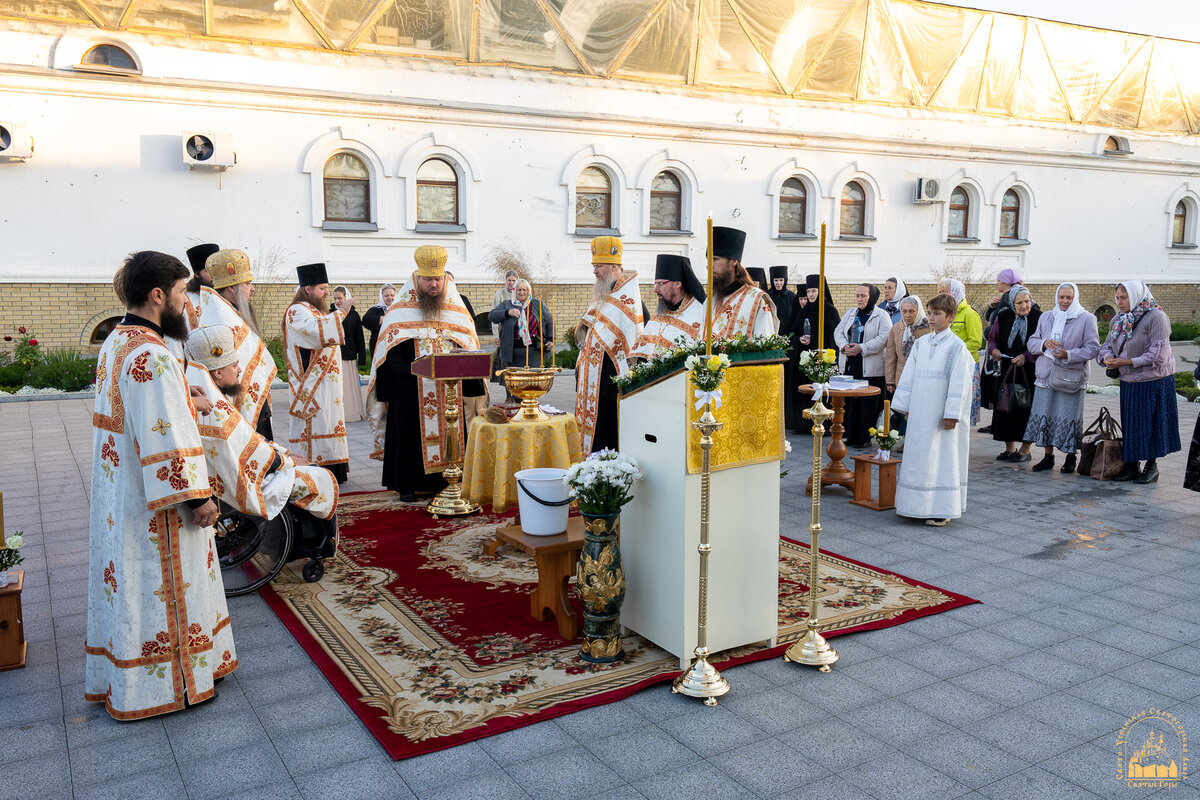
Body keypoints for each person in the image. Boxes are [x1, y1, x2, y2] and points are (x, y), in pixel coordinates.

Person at [87, 250, 232, 720]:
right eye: (180, 294)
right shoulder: (152, 354)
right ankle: (170, 683)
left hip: (123, 495)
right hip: (158, 506)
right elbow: (165, 434)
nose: (186, 306)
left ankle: (131, 677)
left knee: (130, 584)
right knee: (164, 584)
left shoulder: (117, 340)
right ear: (156, 295)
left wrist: (183, 396)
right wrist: (198, 498)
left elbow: (140, 412)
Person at [183, 325, 339, 536]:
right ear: (218, 372)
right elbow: (250, 453)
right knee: (320, 477)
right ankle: (314, 543)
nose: (239, 370)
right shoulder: (214, 407)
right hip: (246, 483)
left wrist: (284, 454)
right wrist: (287, 461)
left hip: (237, 475)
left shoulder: (204, 392)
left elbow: (246, 441)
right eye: (235, 365)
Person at [368, 246, 483, 500]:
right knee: (408, 433)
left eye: (438, 279)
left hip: (448, 389)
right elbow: (388, 353)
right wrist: (413, 377)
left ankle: (447, 480)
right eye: (428, 279)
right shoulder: (398, 312)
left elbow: (468, 345)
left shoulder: (456, 311)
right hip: (411, 390)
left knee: (450, 432)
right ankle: (407, 485)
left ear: (445, 280)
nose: (433, 284)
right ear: (416, 280)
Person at [891, 293, 976, 527]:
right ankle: (914, 506)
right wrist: (906, 406)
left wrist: (952, 414)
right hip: (919, 411)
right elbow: (909, 377)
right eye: (929, 313)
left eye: (937, 314)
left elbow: (960, 383)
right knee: (918, 456)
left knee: (941, 457)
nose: (931, 318)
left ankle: (941, 509)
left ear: (950, 317)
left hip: (941, 414)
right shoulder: (921, 343)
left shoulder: (957, 347)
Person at [188, 248, 279, 439]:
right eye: (247, 284)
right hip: (238, 407)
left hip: (252, 403)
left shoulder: (229, 311)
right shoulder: (222, 317)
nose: (252, 288)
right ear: (231, 287)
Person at [1098, 281, 1181, 483]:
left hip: (1155, 380)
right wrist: (1108, 359)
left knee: (1152, 423)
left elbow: (1158, 353)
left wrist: (1127, 361)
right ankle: (1131, 465)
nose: (1120, 302)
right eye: (1117, 298)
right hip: (1129, 380)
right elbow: (1106, 346)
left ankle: (1152, 467)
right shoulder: (1119, 319)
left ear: (1136, 296)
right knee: (1132, 423)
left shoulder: (1156, 317)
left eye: (1124, 298)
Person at [575, 236, 644, 454]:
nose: (595, 271)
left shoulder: (629, 301)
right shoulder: (604, 295)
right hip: (592, 382)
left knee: (608, 437)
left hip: (610, 385)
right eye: (594, 266)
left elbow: (632, 342)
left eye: (600, 266)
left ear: (615, 267)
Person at [282, 263, 350, 483]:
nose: (327, 292)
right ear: (308, 289)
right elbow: (313, 333)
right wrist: (341, 313)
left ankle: (336, 467)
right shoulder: (297, 310)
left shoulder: (314, 309)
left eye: (327, 287)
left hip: (327, 384)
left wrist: (334, 316)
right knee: (317, 421)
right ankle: (316, 468)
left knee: (330, 420)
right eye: (322, 288)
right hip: (312, 383)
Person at [1023, 282, 1099, 473]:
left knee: (1069, 416)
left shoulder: (1086, 319)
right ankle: (1048, 457)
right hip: (1046, 375)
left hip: (1070, 377)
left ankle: (1070, 457)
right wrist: (1043, 343)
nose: (1064, 301)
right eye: (1061, 297)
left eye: (1069, 298)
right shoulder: (1047, 317)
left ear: (1075, 298)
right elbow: (1032, 342)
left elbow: (1093, 348)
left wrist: (1068, 354)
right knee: (1045, 415)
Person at [833, 283, 891, 447]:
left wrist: (862, 348)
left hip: (870, 366)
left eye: (863, 296)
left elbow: (883, 338)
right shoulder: (851, 313)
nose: (859, 299)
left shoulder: (882, 315)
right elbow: (838, 331)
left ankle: (864, 437)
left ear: (871, 297)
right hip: (851, 362)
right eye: (857, 295)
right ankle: (850, 435)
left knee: (866, 404)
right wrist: (845, 346)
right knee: (851, 401)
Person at [987, 287, 1041, 462]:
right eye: (1020, 302)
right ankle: (1010, 448)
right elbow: (992, 338)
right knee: (1005, 407)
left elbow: (1042, 344)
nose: (1025, 305)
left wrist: (1026, 356)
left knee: (1025, 408)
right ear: (1012, 303)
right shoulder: (1003, 316)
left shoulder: (1038, 317)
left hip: (1028, 372)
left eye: (1027, 301)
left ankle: (1025, 450)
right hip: (1008, 369)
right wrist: (994, 350)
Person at [787, 274, 840, 434]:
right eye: (809, 291)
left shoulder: (829, 310)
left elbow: (833, 336)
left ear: (820, 291)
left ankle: (822, 421)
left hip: (821, 360)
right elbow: (793, 332)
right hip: (805, 360)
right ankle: (803, 423)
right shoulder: (804, 310)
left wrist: (814, 339)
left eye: (814, 291)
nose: (810, 294)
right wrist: (799, 339)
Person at [707, 226, 778, 339]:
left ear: (734, 261)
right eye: (708, 260)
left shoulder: (756, 299)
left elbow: (765, 342)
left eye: (714, 259)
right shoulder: (711, 300)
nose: (708, 266)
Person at [631, 254, 706, 359]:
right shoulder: (658, 317)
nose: (655, 290)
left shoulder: (699, 314)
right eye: (655, 284)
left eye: (660, 284)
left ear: (677, 284)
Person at [883, 295, 931, 445]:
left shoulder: (928, 328)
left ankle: (919, 440)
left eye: (912, 311)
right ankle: (906, 441)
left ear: (918, 311)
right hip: (902, 376)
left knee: (919, 410)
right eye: (904, 311)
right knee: (905, 411)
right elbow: (891, 356)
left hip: (922, 376)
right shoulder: (897, 328)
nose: (908, 315)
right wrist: (890, 381)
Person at [939, 278, 984, 426]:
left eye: (944, 292)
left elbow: (976, 341)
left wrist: (954, 350)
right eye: (939, 292)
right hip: (947, 364)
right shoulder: (943, 314)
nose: (941, 295)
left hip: (966, 364)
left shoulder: (969, 314)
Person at [490, 278, 554, 373]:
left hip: (534, 353)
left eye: (524, 290)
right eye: (519, 289)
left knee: (533, 384)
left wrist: (551, 339)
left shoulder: (537, 304)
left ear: (529, 291)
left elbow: (549, 322)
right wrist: (508, 312)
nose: (522, 292)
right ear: (514, 291)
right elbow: (492, 316)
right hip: (513, 354)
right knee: (515, 384)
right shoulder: (507, 304)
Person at [332, 286, 367, 423]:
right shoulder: (329, 313)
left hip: (349, 354)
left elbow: (359, 337)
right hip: (334, 356)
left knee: (349, 387)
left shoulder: (354, 315)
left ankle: (351, 413)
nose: (337, 301)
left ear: (346, 298)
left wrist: (362, 357)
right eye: (335, 298)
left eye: (340, 298)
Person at [362, 283, 396, 359]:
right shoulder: (376, 309)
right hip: (379, 346)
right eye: (386, 296)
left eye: (392, 295)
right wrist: (381, 319)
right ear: (381, 296)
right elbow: (365, 320)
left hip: (396, 346)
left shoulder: (399, 309)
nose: (390, 298)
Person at [767, 266, 799, 339]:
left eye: (781, 280)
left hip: (788, 336)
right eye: (776, 280)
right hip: (771, 336)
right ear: (772, 281)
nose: (778, 283)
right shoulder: (767, 296)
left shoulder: (792, 297)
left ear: (785, 281)